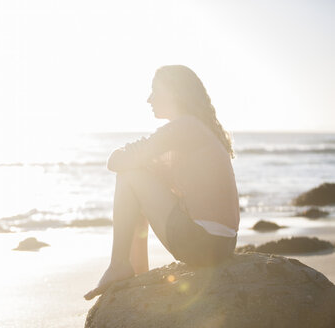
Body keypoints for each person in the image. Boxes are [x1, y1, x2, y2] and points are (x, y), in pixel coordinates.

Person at [84, 65, 240, 301]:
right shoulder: (197, 128)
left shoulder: (185, 126)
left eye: (155, 91)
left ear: (174, 93)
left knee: (129, 176)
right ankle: (136, 272)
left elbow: (116, 162)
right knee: (138, 179)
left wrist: (124, 154)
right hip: (222, 243)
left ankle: (119, 264)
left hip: (202, 242)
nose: (149, 99)